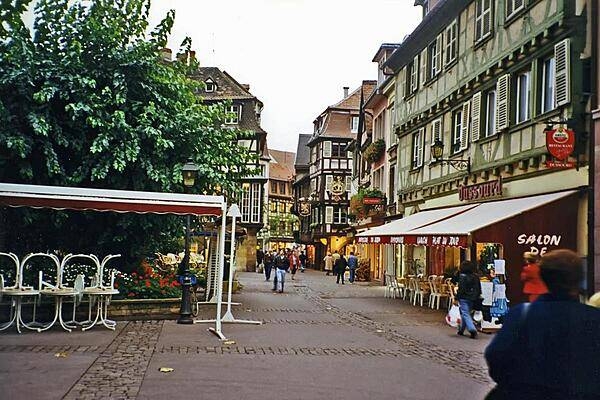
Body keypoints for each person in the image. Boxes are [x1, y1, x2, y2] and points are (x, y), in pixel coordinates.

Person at [484, 249, 600, 400]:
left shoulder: (522, 315)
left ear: (544, 277)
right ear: (578, 279)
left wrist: (514, 384)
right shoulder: (594, 318)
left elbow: (496, 355)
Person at [454, 260, 481, 339]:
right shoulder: (476, 277)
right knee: (465, 313)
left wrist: (456, 298)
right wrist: (477, 296)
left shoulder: (462, 277)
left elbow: (461, 289)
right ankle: (461, 329)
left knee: (465, 313)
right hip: (473, 298)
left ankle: (472, 329)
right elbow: (478, 288)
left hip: (464, 298)